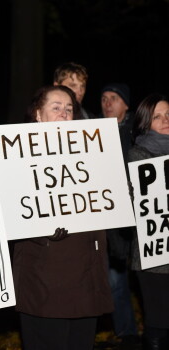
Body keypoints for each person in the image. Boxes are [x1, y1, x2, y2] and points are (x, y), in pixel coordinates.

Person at [13, 85, 113, 350]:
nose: (64, 114)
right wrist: (37, 229)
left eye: (69, 109)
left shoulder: (92, 151)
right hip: (45, 279)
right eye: (56, 108)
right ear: (38, 114)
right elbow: (8, 210)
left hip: (85, 276)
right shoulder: (16, 155)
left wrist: (118, 194)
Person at [100, 83, 141, 346]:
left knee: (146, 276)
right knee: (115, 277)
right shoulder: (92, 133)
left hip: (138, 216)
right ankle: (126, 333)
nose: (107, 103)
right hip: (109, 218)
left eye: (113, 98)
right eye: (103, 98)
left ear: (126, 104)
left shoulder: (138, 132)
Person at [129, 93, 169, 349]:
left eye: (168, 115)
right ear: (145, 122)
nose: (165, 120)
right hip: (153, 256)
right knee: (159, 322)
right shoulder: (137, 155)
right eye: (158, 116)